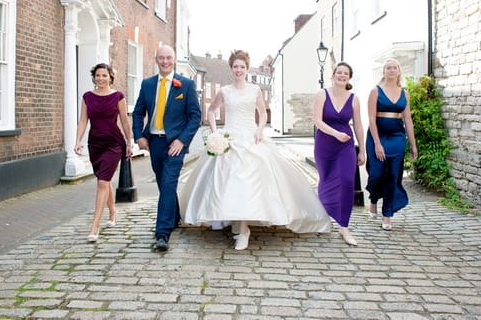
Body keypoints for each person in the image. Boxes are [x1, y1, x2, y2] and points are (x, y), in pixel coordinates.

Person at [179, 49, 331, 250]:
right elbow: (211, 111)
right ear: (231, 68)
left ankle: (243, 230)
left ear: (247, 69)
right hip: (229, 139)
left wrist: (260, 129)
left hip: (251, 138)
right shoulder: (224, 91)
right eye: (235, 67)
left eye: (242, 67)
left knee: (246, 181)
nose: (238, 70)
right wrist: (215, 132)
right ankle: (236, 221)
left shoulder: (255, 90)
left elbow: (262, 113)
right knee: (228, 181)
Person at [132, 45, 201, 252]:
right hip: (154, 142)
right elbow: (138, 112)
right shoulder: (147, 84)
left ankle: (162, 233)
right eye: (161, 58)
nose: (165, 61)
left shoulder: (186, 85)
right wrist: (139, 136)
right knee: (164, 184)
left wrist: (182, 141)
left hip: (175, 144)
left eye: (168, 58)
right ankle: (175, 217)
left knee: (169, 182)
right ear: (156, 59)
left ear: (174, 59)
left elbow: (195, 116)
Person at [74, 63, 133, 243]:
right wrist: (77, 141)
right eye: (98, 75)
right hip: (95, 144)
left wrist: (129, 143)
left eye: (104, 75)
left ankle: (95, 226)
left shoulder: (118, 96)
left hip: (113, 144)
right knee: (104, 182)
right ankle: (113, 211)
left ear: (110, 78)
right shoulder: (87, 97)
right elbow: (83, 121)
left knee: (102, 182)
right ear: (94, 77)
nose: (100, 79)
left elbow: (124, 121)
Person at [313, 62, 365, 246]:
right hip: (325, 143)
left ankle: (344, 226)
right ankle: (323, 218)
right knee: (326, 180)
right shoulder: (322, 94)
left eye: (345, 73)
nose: (342, 76)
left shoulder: (354, 99)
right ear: (333, 75)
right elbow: (317, 120)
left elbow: (358, 125)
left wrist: (362, 150)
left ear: (349, 77)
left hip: (346, 144)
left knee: (347, 181)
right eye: (339, 72)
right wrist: (335, 133)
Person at [365, 58, 418, 230]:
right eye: (388, 68)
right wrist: (377, 143)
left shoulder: (405, 93)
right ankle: (373, 199)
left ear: (399, 71)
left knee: (393, 176)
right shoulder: (375, 91)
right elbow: (371, 119)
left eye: (394, 67)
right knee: (377, 174)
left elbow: (408, 120)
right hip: (377, 136)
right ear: (384, 71)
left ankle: (387, 214)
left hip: (397, 137)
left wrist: (413, 144)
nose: (391, 70)